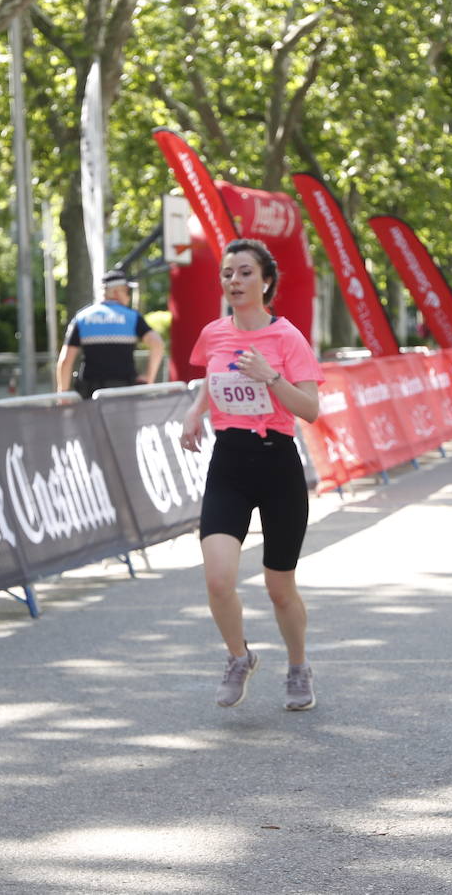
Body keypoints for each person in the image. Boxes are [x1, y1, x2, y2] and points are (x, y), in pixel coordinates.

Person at [179, 238, 322, 711]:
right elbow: (211, 377)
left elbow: (311, 411)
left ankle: (298, 666)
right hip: (230, 463)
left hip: (278, 462)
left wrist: (271, 377)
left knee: (279, 587)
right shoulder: (214, 333)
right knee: (218, 578)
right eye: (227, 274)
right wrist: (195, 412)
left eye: (244, 273)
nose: (233, 282)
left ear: (266, 282)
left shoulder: (287, 338)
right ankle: (239, 656)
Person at [56, 270, 164, 399]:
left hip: (91, 395)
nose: (128, 297)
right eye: (127, 291)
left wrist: (63, 394)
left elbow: (65, 360)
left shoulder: (82, 317)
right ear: (116, 293)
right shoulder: (132, 317)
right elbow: (157, 344)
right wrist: (149, 379)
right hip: (125, 394)